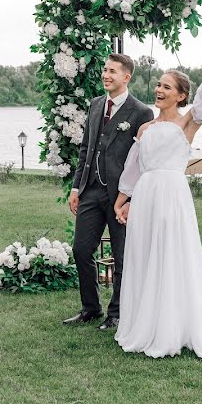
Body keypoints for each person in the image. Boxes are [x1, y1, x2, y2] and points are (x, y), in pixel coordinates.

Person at [112, 31, 202, 358]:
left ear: (181, 95)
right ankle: (144, 324)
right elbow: (135, 167)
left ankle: (173, 327)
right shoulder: (144, 128)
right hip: (145, 195)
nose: (159, 90)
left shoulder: (188, 123)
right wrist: (123, 199)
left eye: (167, 87)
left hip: (171, 194)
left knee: (170, 254)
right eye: (158, 85)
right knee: (145, 255)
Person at [64, 53, 154, 330]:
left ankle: (117, 313)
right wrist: (77, 186)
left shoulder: (141, 112)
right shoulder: (95, 105)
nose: (106, 74)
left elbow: (143, 159)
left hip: (121, 196)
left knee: (122, 255)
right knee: (81, 249)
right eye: (105, 69)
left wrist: (131, 199)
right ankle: (90, 308)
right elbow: (85, 149)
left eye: (113, 71)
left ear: (126, 77)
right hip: (91, 190)